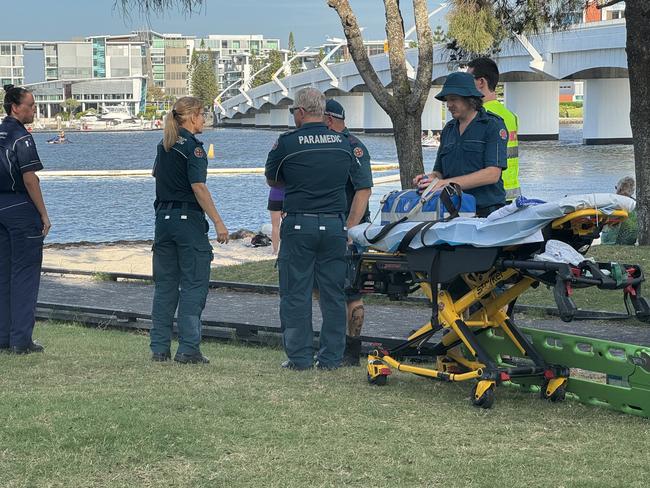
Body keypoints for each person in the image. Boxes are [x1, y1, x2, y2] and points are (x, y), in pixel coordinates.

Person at [265, 87, 363, 370]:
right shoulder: (343, 143)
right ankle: (331, 357)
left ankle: (299, 357)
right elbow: (357, 182)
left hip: (299, 223)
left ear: (301, 112)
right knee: (333, 293)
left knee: (296, 292)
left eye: (293, 111)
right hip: (334, 224)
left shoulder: (287, 143)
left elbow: (273, 179)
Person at [150, 97, 229, 364]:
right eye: (203, 115)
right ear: (193, 116)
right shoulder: (194, 149)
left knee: (165, 287)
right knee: (194, 284)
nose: (204, 120)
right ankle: (188, 348)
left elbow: (156, 175)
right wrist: (218, 221)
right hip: (188, 221)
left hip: (163, 219)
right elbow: (199, 187)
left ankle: (159, 348)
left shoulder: (165, 145)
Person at [413, 71, 508, 218]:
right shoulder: (449, 130)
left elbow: (492, 174)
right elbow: (439, 172)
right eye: (447, 100)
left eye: (454, 99)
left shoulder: (492, 125)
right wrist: (429, 179)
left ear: (470, 99)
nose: (449, 105)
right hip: (453, 210)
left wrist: (445, 183)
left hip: (486, 212)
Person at [0, 85, 51, 354]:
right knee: (25, 274)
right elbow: (30, 179)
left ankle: (4, 337)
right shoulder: (22, 137)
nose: (34, 110)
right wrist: (43, 213)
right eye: (31, 105)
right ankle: (21, 340)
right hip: (19, 205)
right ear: (15, 107)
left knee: (4, 274)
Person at [324, 99, 373, 366]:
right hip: (329, 226)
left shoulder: (353, 147)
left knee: (351, 292)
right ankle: (335, 343)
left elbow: (363, 191)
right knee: (330, 289)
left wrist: (349, 230)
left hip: (348, 228)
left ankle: (352, 351)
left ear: (329, 120)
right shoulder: (329, 145)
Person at [467, 57, 521, 202]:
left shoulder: (478, 116)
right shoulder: (510, 115)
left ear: (481, 82)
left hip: (491, 195)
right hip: (513, 194)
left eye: (468, 79)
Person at [602, 176, 637, 245]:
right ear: (632, 192)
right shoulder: (635, 204)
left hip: (610, 241)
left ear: (618, 189)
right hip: (631, 240)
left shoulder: (613, 202)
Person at [267, 185, 284, 254]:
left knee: (275, 226)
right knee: (288, 224)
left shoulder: (274, 174)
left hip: (274, 197)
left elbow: (269, 182)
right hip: (287, 197)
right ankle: (286, 248)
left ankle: (275, 250)